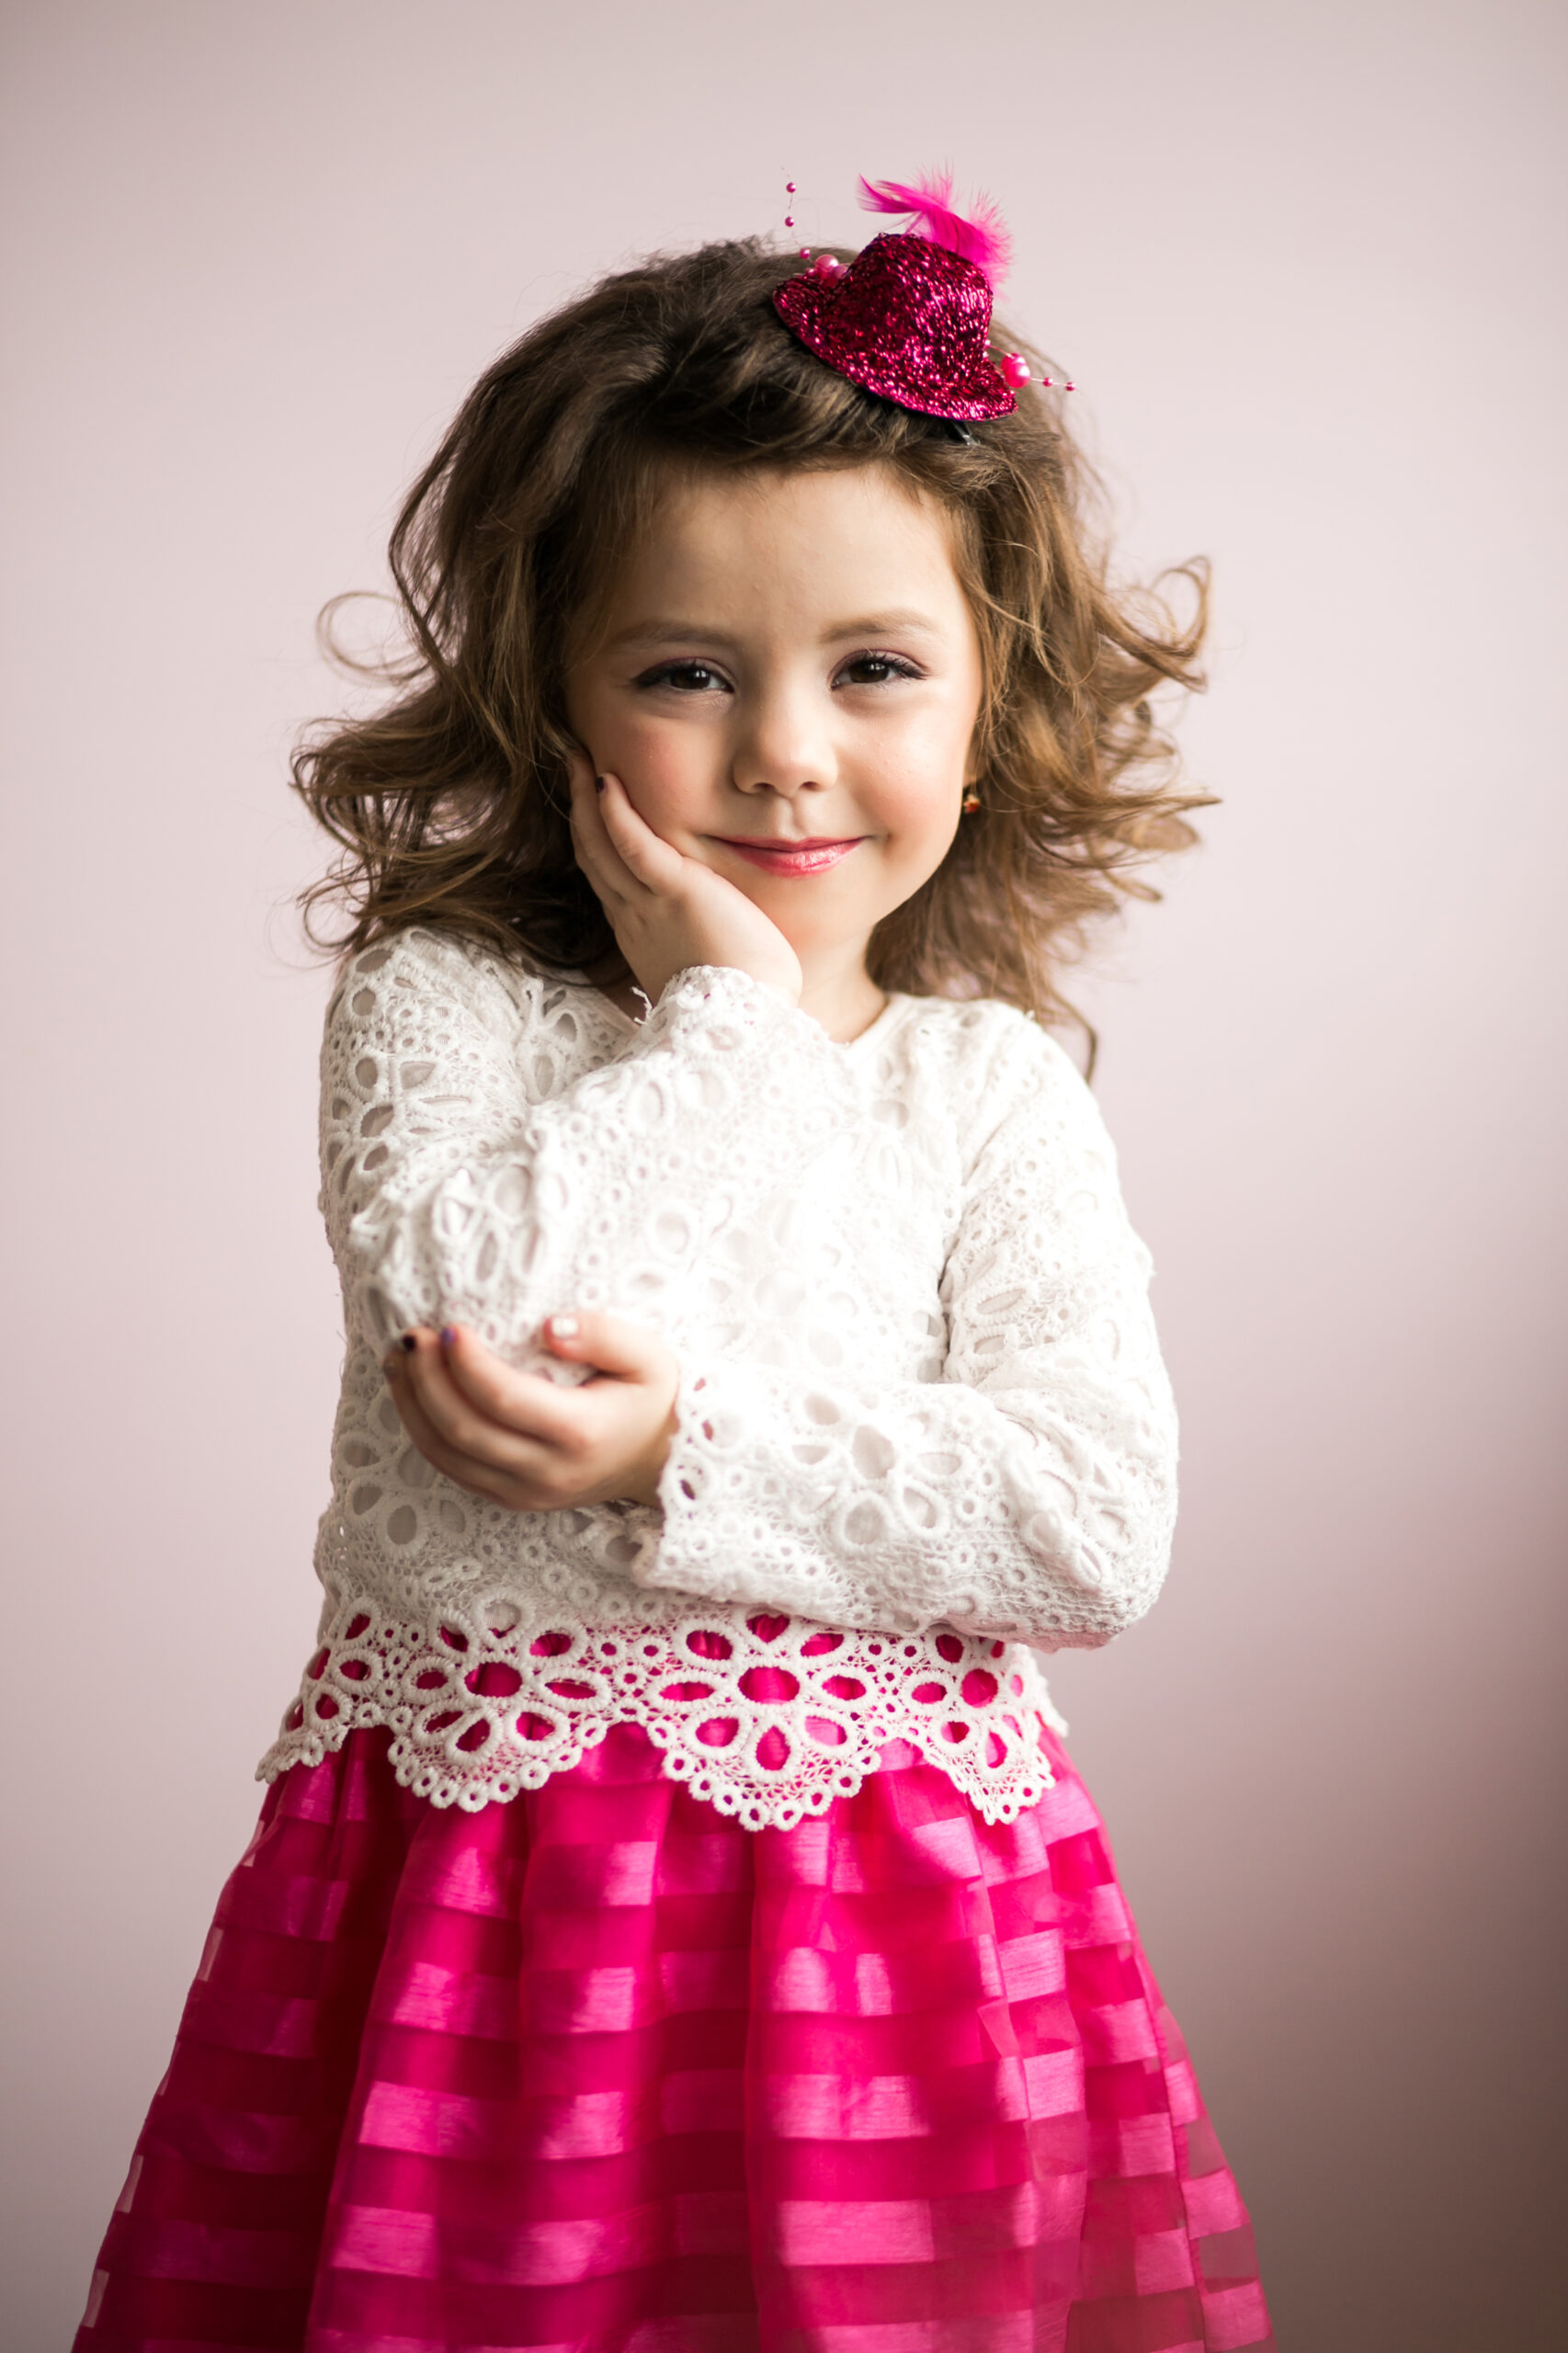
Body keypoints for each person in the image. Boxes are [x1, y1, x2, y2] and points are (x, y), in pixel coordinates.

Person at [75, 174, 1274, 2351]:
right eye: (685, 671)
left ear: (989, 700)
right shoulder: (444, 1008)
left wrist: (676, 1452)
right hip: (491, 1909)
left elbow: (1089, 1521)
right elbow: (472, 1318)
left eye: (873, 667)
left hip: (899, 1922)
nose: (784, 748)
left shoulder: (984, 1090)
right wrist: (725, 1014)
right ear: (550, 694)